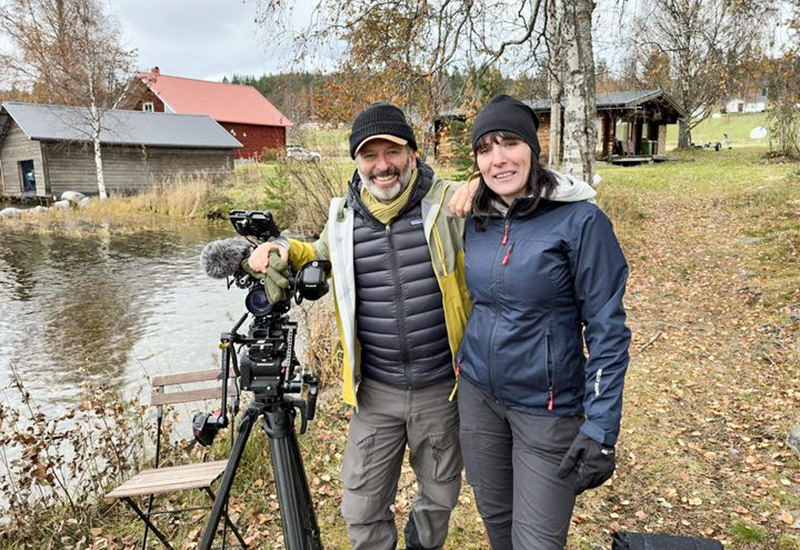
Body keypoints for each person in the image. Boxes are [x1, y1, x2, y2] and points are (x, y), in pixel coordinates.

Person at [247, 102, 470, 550]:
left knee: (439, 496)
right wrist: (279, 247)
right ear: (357, 162)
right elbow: (313, 251)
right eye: (370, 155)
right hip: (376, 393)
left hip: (441, 388)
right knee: (362, 505)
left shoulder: (449, 203)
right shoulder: (343, 219)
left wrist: (489, 181)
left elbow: (526, 196)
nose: (382, 166)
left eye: (392, 152)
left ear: (412, 153)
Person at [456, 94, 630, 549]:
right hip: (479, 399)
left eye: (509, 142)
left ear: (533, 148)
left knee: (536, 542)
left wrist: (601, 427)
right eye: (485, 148)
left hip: (546, 410)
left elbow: (608, 329)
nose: (498, 159)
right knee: (497, 526)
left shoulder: (580, 220)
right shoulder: (476, 218)